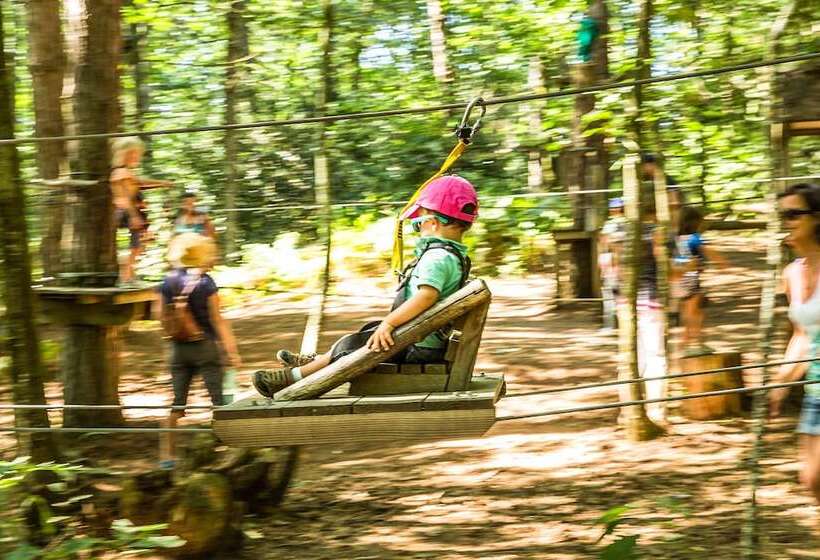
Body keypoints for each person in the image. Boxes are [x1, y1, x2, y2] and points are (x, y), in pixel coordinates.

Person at [252, 174, 478, 397]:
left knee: (353, 347)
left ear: (432, 222)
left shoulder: (437, 258)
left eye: (417, 224)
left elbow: (426, 297)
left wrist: (389, 323)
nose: (418, 230)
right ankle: (319, 361)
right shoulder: (452, 256)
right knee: (363, 333)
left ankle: (294, 378)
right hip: (423, 339)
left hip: (418, 347)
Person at [158, 233, 241, 467]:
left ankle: (167, 457)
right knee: (219, 402)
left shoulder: (167, 281)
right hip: (205, 347)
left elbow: (160, 317)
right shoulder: (206, 282)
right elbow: (218, 319)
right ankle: (226, 449)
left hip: (177, 349)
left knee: (177, 405)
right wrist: (231, 351)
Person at [769, 183, 820, 506]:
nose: (786, 221)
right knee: (812, 480)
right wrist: (780, 383)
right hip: (815, 388)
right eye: (782, 215)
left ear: (816, 217)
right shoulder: (792, 273)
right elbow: (802, 335)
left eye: (793, 214)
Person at [110, 136, 172, 283]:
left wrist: (161, 183)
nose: (136, 156)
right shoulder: (121, 173)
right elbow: (123, 198)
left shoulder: (127, 172)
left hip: (134, 210)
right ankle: (126, 276)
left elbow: (141, 183)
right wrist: (133, 216)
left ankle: (129, 274)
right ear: (124, 154)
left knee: (139, 245)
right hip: (129, 211)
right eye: (132, 153)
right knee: (136, 245)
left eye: (137, 153)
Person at [674, 206, 729, 357]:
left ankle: (683, 347)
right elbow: (708, 251)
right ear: (694, 222)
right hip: (689, 279)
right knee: (695, 312)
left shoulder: (676, 238)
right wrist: (722, 263)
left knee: (688, 313)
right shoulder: (694, 238)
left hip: (677, 280)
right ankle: (696, 343)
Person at [599, 198, 626, 331]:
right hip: (611, 263)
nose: (614, 210)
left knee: (615, 296)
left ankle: (615, 325)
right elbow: (604, 244)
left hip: (619, 264)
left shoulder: (623, 224)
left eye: (617, 208)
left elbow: (606, 243)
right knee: (611, 295)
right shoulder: (610, 224)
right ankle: (611, 325)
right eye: (613, 208)